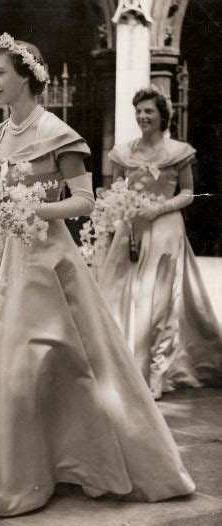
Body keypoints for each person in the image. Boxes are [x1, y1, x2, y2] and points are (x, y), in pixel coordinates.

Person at [0, 35, 194, 517]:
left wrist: (31, 205)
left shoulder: (57, 133)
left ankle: (52, 466)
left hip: (45, 262)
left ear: (25, 77)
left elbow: (85, 201)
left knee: (36, 365)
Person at [99, 86, 222, 400]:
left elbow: (188, 192)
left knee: (159, 303)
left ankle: (157, 374)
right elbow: (114, 189)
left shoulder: (179, 152)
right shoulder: (123, 152)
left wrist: (159, 208)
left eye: (149, 111)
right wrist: (120, 209)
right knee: (121, 297)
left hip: (165, 228)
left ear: (162, 115)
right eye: (139, 111)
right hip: (131, 228)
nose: (143, 117)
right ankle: (125, 368)